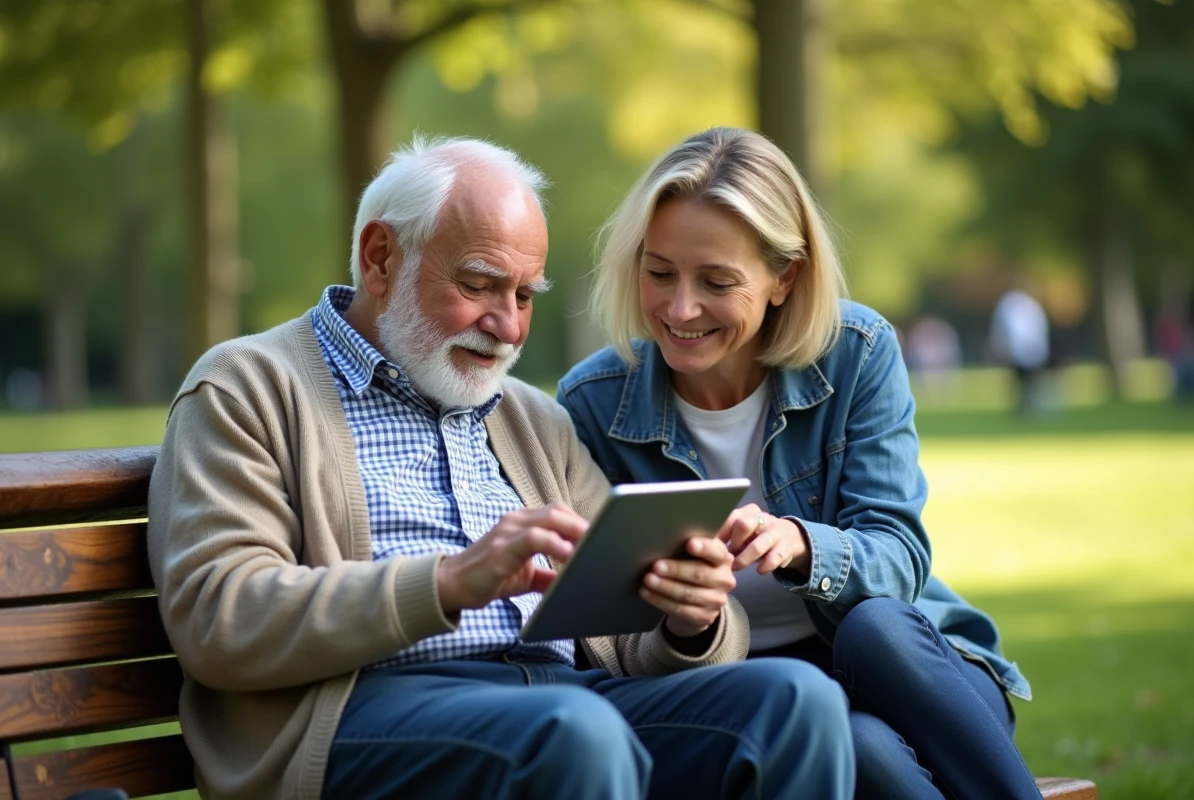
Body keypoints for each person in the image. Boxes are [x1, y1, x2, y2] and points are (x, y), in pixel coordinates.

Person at [147, 135, 855, 800]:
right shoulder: (248, 387)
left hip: (561, 700)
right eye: (481, 285)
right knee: (573, 735)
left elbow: (628, 641)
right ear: (380, 258)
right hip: (364, 713)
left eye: (524, 296)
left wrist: (690, 620)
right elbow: (219, 618)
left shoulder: (530, 418)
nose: (509, 325)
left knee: (796, 701)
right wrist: (452, 581)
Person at [557, 127, 1041, 800]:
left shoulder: (857, 353)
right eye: (659, 272)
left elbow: (900, 556)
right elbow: (594, 625)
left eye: (717, 281)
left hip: (918, 679)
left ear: (785, 276)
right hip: (763, 701)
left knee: (873, 629)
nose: (680, 307)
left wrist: (803, 545)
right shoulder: (591, 403)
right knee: (857, 742)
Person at [988, 286, 1051, 414]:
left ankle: (1028, 404)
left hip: (1027, 348)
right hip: (1022, 348)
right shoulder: (1026, 304)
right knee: (1022, 380)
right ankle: (1024, 405)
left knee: (1028, 380)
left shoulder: (1014, 304)